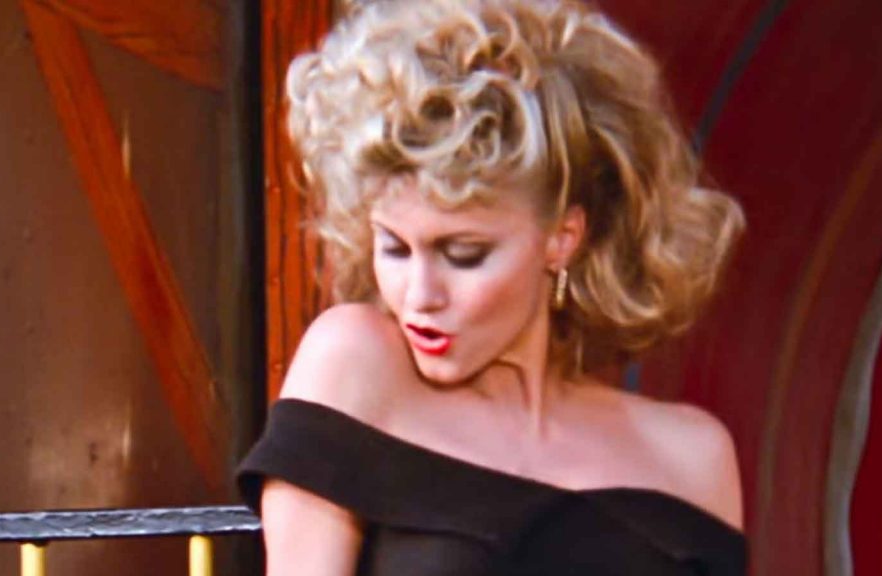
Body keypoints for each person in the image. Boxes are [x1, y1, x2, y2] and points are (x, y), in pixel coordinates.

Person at [238, 0, 747, 574]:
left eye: (464, 255)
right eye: (394, 247)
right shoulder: (355, 365)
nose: (419, 295)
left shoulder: (692, 457)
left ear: (562, 238)